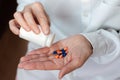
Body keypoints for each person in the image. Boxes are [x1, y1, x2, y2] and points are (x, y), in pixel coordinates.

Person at [9, 0, 120, 80]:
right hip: (41, 58)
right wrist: (27, 10)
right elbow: (25, 3)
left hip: (108, 69)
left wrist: (91, 42)